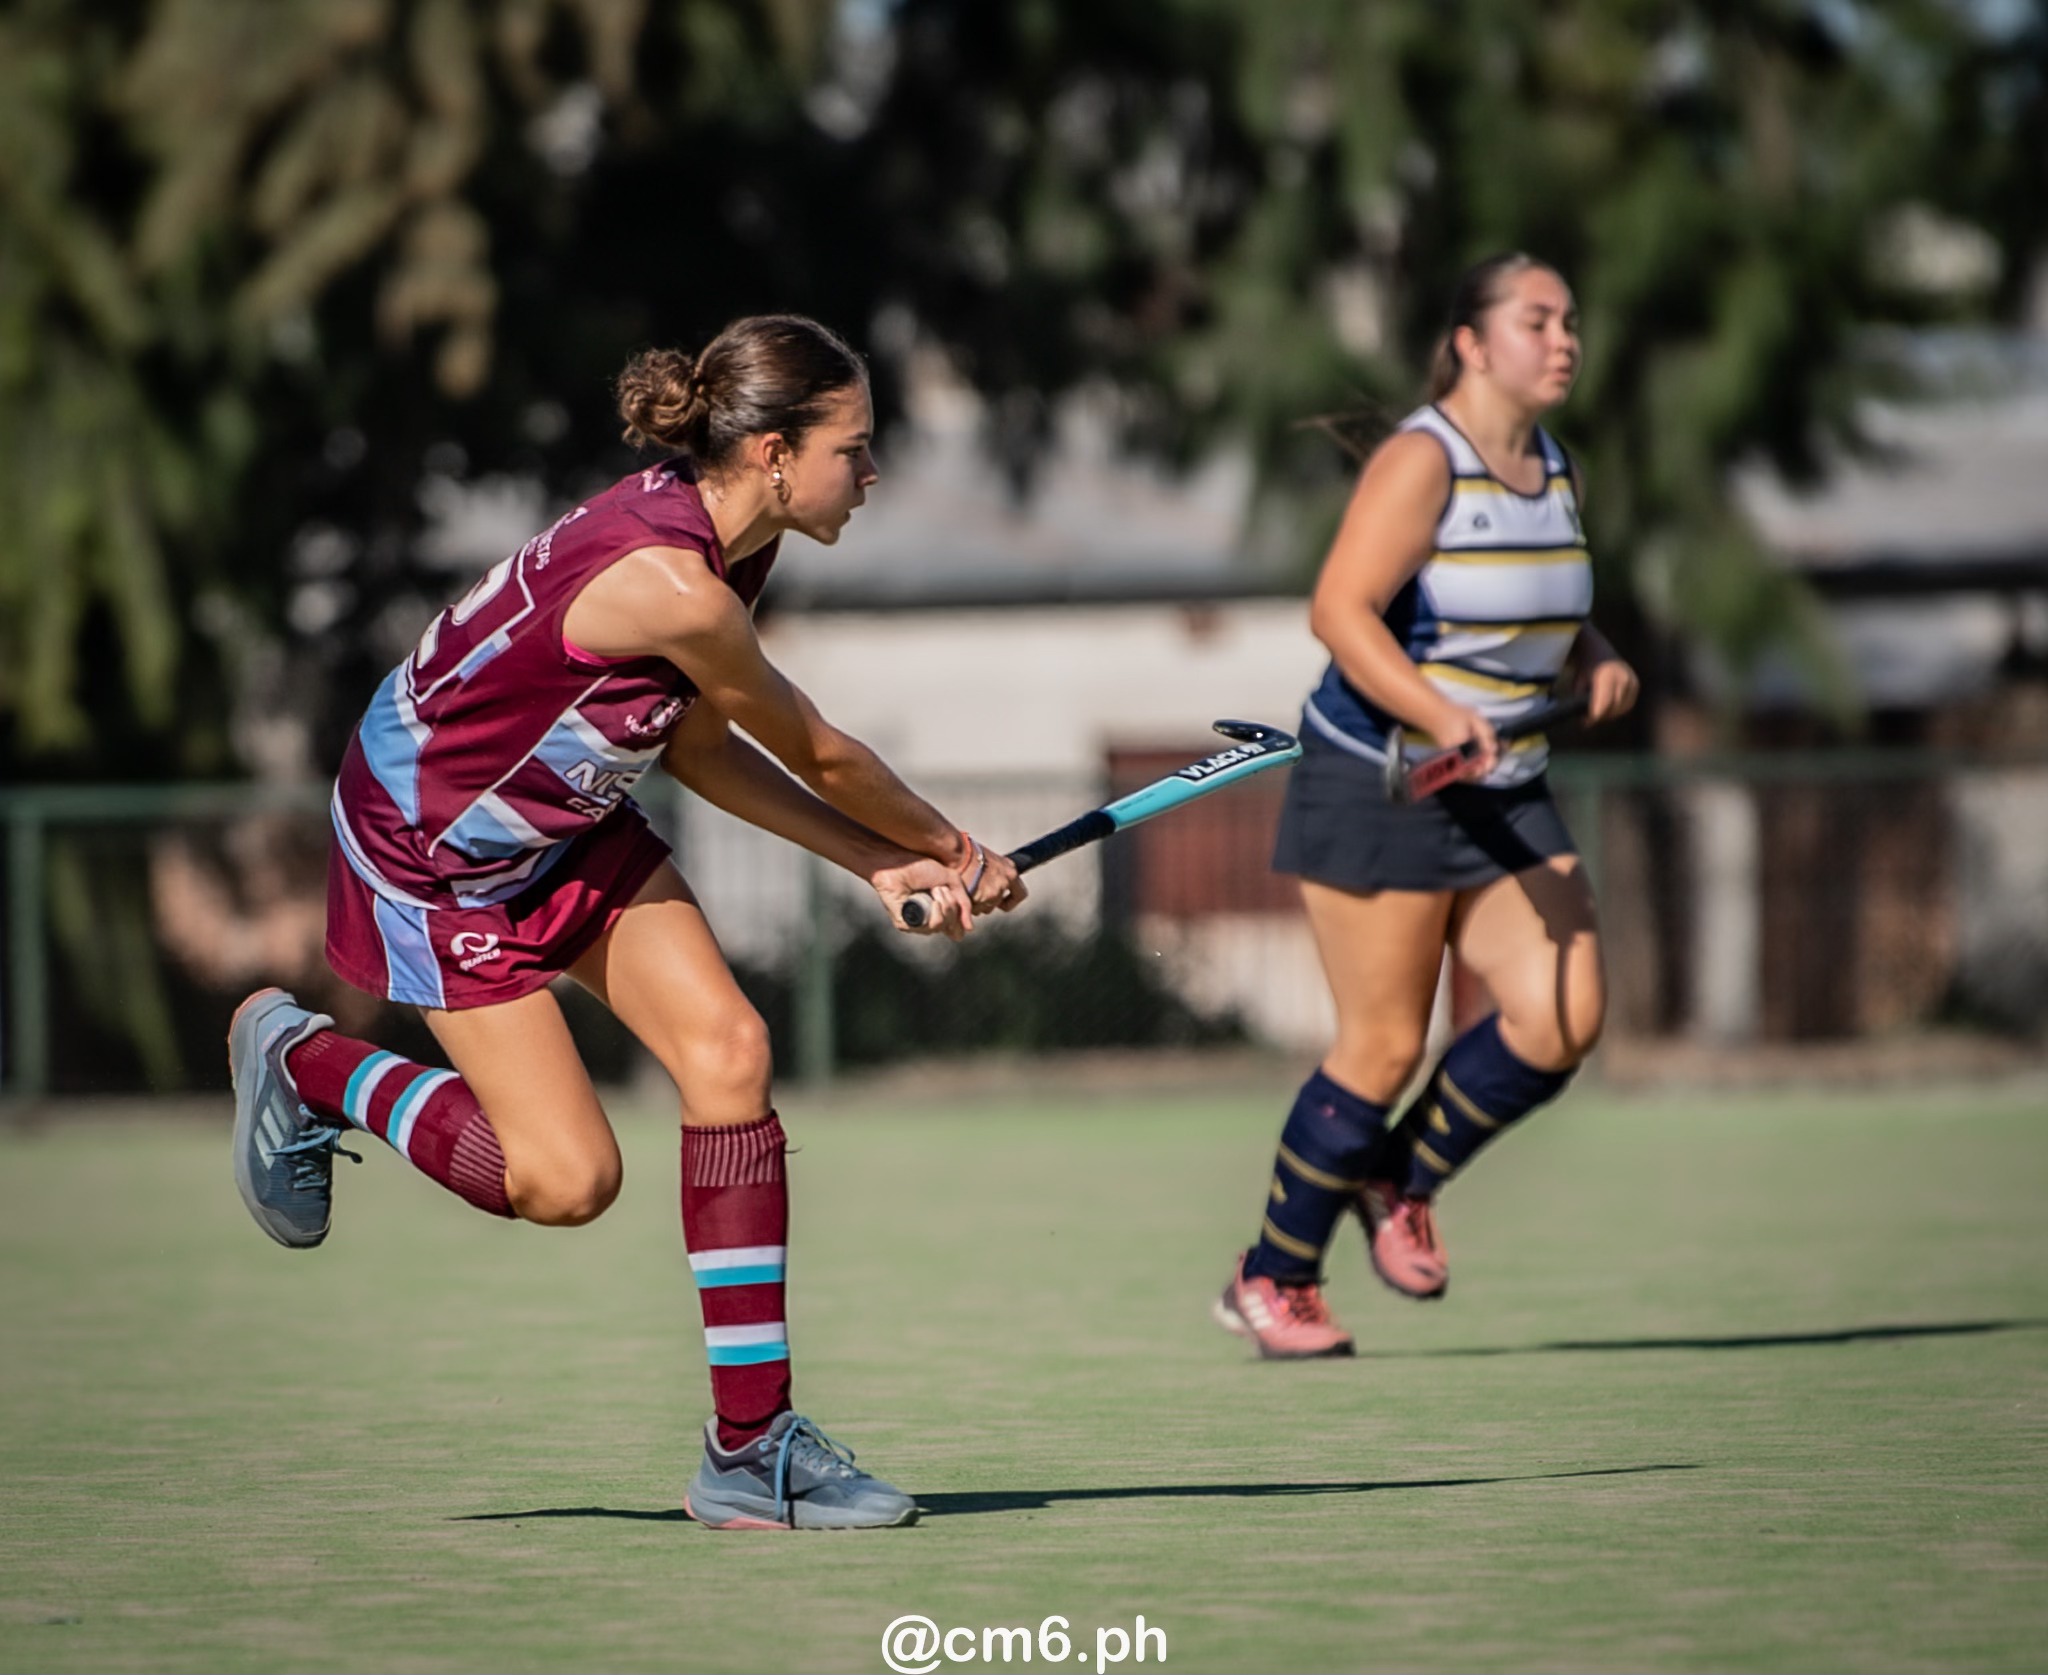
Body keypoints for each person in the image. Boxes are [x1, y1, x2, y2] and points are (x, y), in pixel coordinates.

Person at [229, 313, 1025, 1526]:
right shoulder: (669, 585)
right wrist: (952, 848)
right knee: (562, 1180)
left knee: (729, 1054)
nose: (869, 476)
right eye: (851, 450)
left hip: (563, 821)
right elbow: (818, 750)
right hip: (431, 855)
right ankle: (307, 1059)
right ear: (769, 452)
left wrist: (878, 865)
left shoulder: (728, 548)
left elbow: (699, 750)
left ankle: (750, 1450)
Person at [1213, 254, 1639, 1359]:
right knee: (1383, 1043)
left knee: (1563, 1015)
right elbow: (1339, 612)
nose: (1562, 340)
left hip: (1502, 786)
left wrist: (1589, 654)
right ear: (1468, 340)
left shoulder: (1552, 466)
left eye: (1568, 320)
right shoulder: (1420, 462)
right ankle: (1271, 1275)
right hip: (1380, 782)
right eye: (1535, 320)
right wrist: (1438, 714)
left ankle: (1396, 1177)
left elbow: (1535, 611)